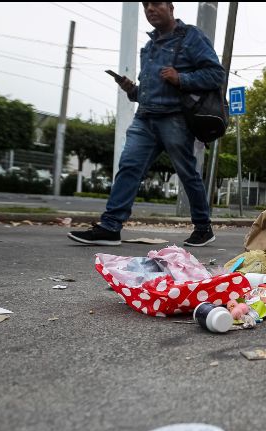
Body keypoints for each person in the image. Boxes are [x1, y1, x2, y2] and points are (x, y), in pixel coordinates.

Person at [68, 1, 224, 247]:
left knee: (187, 174)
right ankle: (110, 226)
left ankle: (203, 228)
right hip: (145, 118)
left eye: (156, 3)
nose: (150, 9)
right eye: (146, 5)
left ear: (171, 7)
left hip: (175, 118)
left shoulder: (190, 36)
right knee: (129, 166)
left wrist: (181, 77)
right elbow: (149, 91)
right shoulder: (148, 47)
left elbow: (216, 74)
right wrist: (132, 91)